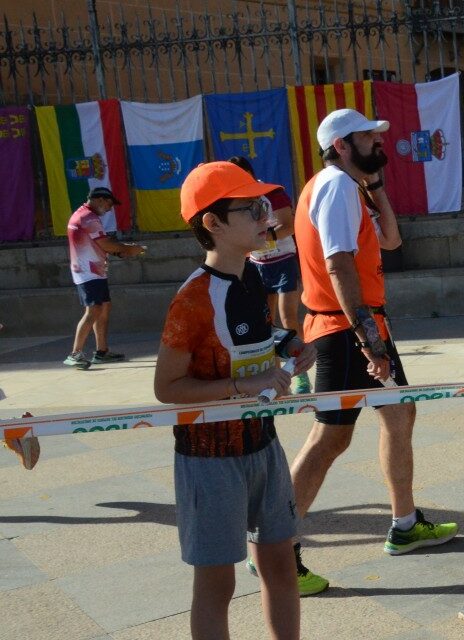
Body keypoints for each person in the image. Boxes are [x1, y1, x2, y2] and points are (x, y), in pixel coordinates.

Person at [287, 108, 458, 595]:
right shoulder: (336, 187)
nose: (378, 143)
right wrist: (370, 341)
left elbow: (392, 239)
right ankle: (277, 547)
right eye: (367, 137)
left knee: (400, 415)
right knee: (329, 439)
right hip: (346, 329)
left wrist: (377, 186)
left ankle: (404, 526)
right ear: (341, 145)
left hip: (359, 324)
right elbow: (339, 266)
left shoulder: (350, 187)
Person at [154, 161, 317, 639]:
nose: (267, 218)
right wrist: (240, 387)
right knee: (216, 583)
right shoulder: (192, 299)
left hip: (262, 445)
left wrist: (288, 345)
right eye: (252, 209)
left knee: (281, 565)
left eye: (263, 206)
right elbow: (167, 388)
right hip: (208, 459)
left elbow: (257, 336)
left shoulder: (252, 277)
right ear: (213, 223)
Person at [228, 156, 311, 394]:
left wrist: (265, 236)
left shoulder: (272, 193)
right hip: (257, 265)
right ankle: (275, 378)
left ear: (248, 174)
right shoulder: (235, 201)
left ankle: (301, 374)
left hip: (283, 261)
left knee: (289, 319)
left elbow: (289, 225)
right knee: (266, 325)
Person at [63, 187, 145, 370]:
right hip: (88, 271)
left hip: (92, 270)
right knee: (94, 310)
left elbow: (100, 244)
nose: (109, 208)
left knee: (104, 307)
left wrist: (120, 249)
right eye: (109, 203)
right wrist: (129, 249)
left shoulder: (83, 214)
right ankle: (75, 354)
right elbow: (106, 244)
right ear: (99, 199)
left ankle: (101, 351)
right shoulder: (89, 218)